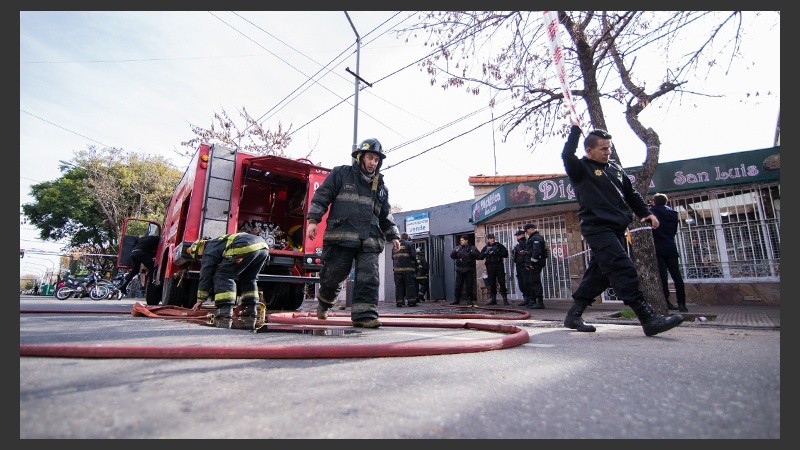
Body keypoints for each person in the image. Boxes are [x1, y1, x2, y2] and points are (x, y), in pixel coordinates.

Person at [561, 116, 684, 336]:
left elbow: (631, 194)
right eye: (603, 148)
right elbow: (567, 155)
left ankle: (574, 315)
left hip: (617, 229)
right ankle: (647, 318)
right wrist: (575, 130)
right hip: (597, 228)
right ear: (589, 150)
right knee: (622, 266)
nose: (608, 152)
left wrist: (646, 213)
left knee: (600, 274)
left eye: (609, 147)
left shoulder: (615, 169)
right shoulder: (581, 169)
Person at [306, 138, 401, 329]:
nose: (373, 162)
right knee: (333, 274)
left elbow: (385, 214)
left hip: (370, 240)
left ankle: (364, 316)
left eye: (376, 159)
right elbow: (322, 196)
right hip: (342, 235)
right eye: (370, 157)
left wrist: (393, 235)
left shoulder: (381, 187)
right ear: (360, 157)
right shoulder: (341, 174)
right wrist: (313, 220)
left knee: (369, 277)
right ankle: (325, 302)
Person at [190, 232, 269, 320]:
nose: (202, 259)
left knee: (223, 275)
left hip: (244, 246)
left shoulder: (208, 250)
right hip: (263, 247)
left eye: (200, 258)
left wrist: (200, 300)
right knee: (249, 278)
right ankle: (251, 309)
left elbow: (205, 275)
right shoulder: (218, 242)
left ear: (198, 250)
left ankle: (225, 309)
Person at [650, 192, 688, 312]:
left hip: (657, 247)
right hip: (670, 246)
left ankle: (666, 302)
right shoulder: (673, 213)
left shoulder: (652, 213)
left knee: (662, 277)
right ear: (666, 202)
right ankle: (682, 303)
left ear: (654, 201)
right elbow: (673, 231)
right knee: (677, 276)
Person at [449, 235, 483, 305]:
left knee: (469, 285)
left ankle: (470, 300)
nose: (461, 241)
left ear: (466, 240)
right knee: (458, 285)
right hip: (460, 269)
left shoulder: (472, 248)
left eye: (462, 240)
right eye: (460, 240)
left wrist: (474, 253)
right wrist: (454, 252)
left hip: (468, 269)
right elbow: (452, 256)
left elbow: (479, 256)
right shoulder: (458, 248)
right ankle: (456, 299)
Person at [479, 233, 509, 305]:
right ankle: (493, 299)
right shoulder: (486, 247)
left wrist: (497, 252)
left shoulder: (499, 246)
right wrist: (486, 253)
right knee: (492, 283)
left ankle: (505, 299)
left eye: (493, 238)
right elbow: (480, 257)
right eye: (490, 238)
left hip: (499, 266)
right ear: (488, 240)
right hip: (490, 267)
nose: (492, 239)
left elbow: (506, 254)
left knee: (502, 282)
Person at [523, 223, 548, 309]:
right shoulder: (535, 237)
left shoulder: (536, 238)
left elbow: (536, 252)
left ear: (530, 229)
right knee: (533, 282)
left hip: (536, 263)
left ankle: (540, 302)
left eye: (526, 231)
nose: (526, 233)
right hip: (535, 263)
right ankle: (533, 301)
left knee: (535, 282)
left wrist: (532, 263)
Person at [392, 232, 419, 307]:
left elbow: (392, 257)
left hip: (397, 270)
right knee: (410, 285)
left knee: (399, 286)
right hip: (408, 269)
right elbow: (414, 256)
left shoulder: (395, 245)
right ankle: (411, 302)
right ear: (407, 237)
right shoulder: (410, 244)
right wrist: (416, 266)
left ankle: (399, 302)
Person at [511, 229, 532, 307]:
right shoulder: (518, 245)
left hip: (524, 266)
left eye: (518, 235)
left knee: (527, 283)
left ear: (523, 235)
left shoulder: (526, 243)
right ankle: (526, 299)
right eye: (517, 235)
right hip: (519, 266)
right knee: (521, 283)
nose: (517, 237)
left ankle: (530, 300)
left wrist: (527, 264)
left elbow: (528, 254)